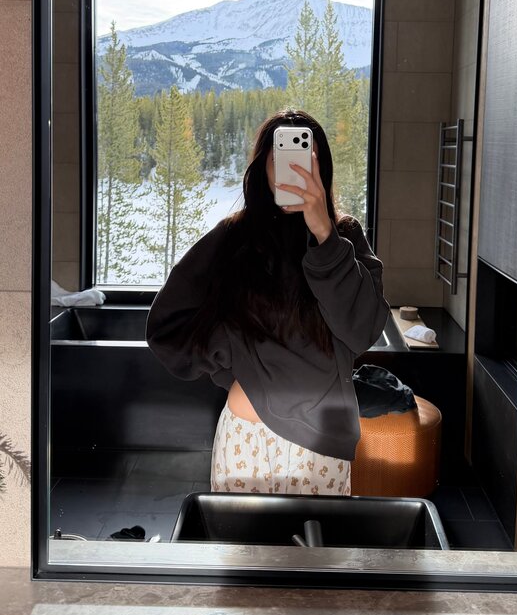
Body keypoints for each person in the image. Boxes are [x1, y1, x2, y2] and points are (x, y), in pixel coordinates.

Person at [145, 108, 390, 496]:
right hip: (247, 437)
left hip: (321, 445)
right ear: (263, 166)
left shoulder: (344, 237)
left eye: (305, 156)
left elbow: (362, 331)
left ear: (321, 166)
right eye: (280, 155)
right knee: (240, 538)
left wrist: (324, 235)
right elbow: (168, 322)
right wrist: (232, 352)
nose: (293, 166)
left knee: (319, 540)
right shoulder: (235, 237)